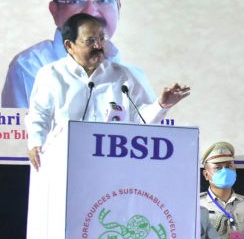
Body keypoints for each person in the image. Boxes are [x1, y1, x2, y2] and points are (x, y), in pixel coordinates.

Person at [25, 13, 190, 170]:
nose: (98, 46)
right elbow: (39, 114)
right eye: (90, 41)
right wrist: (36, 143)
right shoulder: (52, 75)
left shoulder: (124, 76)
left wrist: (162, 105)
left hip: (116, 166)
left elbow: (141, 120)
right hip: (67, 163)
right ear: (69, 46)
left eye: (101, 38)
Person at [2, 0, 148, 108]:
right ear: (55, 12)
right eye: (75, 1)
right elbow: (25, 131)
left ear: (118, 7)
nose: (91, 12)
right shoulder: (31, 67)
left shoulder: (134, 77)